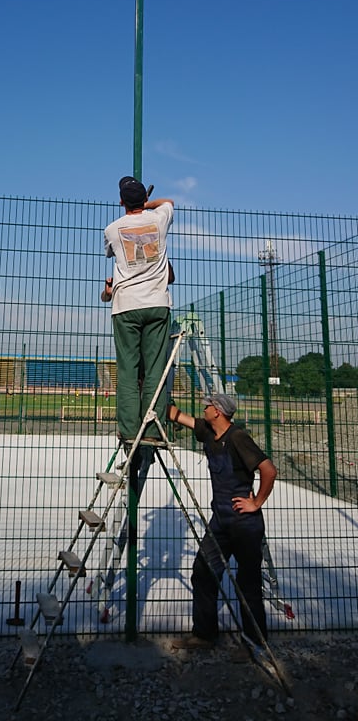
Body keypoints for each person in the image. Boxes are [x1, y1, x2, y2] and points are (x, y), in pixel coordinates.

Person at [168, 392, 277, 650]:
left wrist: (256, 502)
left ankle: (255, 644)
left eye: (207, 406)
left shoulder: (238, 437)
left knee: (248, 583)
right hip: (220, 521)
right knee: (203, 571)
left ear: (217, 411)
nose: (203, 409)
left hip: (244, 523)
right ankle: (204, 635)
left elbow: (269, 470)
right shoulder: (208, 432)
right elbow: (176, 415)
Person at [103, 176, 174, 444]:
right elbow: (168, 202)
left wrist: (138, 207)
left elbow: (112, 253)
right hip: (157, 303)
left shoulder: (112, 229)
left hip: (126, 305)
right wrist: (148, 205)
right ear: (144, 199)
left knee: (128, 371)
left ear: (121, 201)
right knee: (155, 370)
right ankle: (153, 430)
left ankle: (130, 431)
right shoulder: (159, 219)